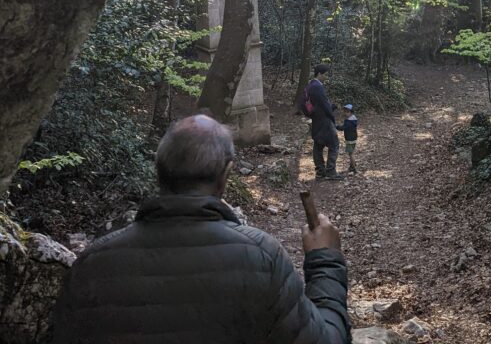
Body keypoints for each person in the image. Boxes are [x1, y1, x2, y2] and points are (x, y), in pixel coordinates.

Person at [52, 114, 350, 344]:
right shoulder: (262, 256)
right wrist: (324, 259)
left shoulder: (91, 265)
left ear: (159, 171)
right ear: (226, 174)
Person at [306, 63, 341, 181]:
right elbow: (324, 104)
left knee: (318, 145)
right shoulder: (318, 86)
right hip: (324, 121)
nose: (326, 77)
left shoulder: (310, 85)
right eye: (325, 75)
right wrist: (331, 112)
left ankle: (320, 173)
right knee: (334, 144)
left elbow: (311, 104)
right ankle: (330, 171)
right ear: (320, 74)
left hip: (316, 120)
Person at [337, 103, 359, 175]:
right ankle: (352, 166)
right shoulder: (353, 119)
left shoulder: (349, 121)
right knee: (351, 152)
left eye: (347, 112)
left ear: (351, 112)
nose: (345, 113)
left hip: (350, 139)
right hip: (354, 138)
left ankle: (354, 168)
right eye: (345, 111)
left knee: (351, 154)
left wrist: (336, 126)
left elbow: (343, 128)